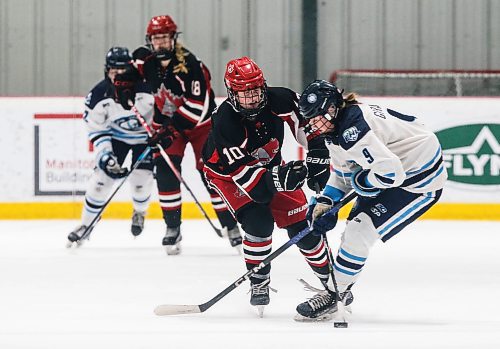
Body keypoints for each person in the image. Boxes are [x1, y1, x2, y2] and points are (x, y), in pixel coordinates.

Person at [295, 79, 447, 321]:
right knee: (355, 229)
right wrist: (327, 201)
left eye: (318, 116)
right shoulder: (336, 129)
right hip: (396, 171)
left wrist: (362, 182)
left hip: (418, 182)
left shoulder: (352, 130)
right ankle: (339, 291)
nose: (314, 124)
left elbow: (391, 173)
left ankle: (336, 294)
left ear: (333, 108)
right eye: (311, 119)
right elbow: (345, 174)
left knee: (359, 231)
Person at [202, 57, 338, 316]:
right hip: (227, 175)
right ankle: (259, 281)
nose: (252, 99)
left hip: (270, 166)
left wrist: (318, 154)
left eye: (256, 91)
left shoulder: (282, 99)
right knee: (258, 223)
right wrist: (279, 178)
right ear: (232, 94)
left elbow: (311, 125)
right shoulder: (225, 122)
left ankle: (333, 284)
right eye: (244, 94)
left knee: (305, 228)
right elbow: (254, 187)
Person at [123, 14, 242, 255]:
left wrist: (169, 129)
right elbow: (130, 71)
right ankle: (172, 229)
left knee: (212, 175)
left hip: (202, 126)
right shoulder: (149, 63)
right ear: (150, 41)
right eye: (156, 39)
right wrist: (123, 86)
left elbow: (197, 106)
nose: (160, 43)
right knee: (165, 173)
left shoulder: (191, 65)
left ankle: (230, 225)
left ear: (173, 38)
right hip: (169, 126)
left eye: (165, 38)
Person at [67, 47, 155, 245]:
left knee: (142, 180)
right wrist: (106, 155)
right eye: (113, 70)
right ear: (106, 70)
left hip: (145, 138)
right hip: (116, 138)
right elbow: (97, 129)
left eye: (122, 70)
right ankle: (86, 225)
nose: (117, 75)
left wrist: (160, 132)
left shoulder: (146, 88)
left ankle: (139, 212)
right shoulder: (99, 94)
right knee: (101, 181)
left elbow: (164, 110)